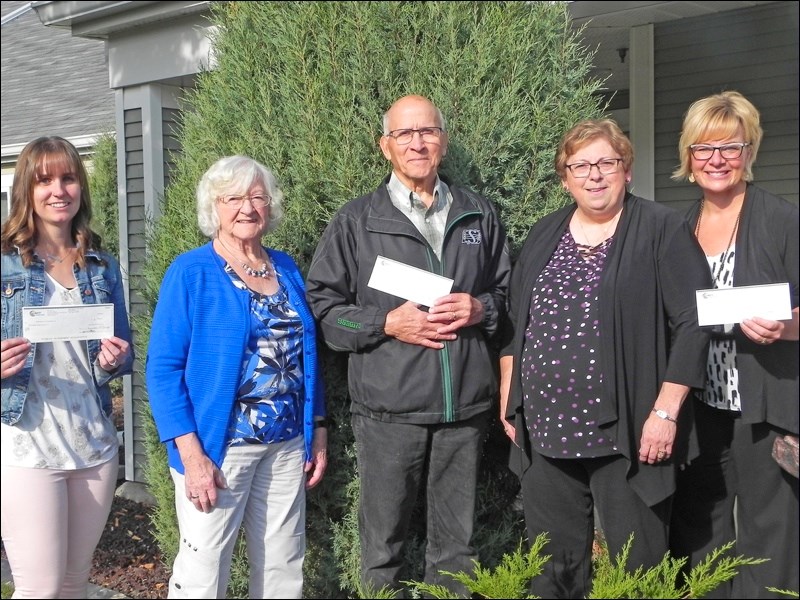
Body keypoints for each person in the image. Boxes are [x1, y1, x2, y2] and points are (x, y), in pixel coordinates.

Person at [305, 94, 511, 596]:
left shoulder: (478, 215)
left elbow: (509, 295)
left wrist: (480, 309)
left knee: (457, 549)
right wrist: (384, 324)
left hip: (463, 408)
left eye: (427, 132)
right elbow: (325, 310)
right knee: (383, 550)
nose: (417, 142)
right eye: (404, 134)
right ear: (386, 146)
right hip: (388, 411)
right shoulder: (356, 221)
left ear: (443, 140)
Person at [498, 119, 712, 599]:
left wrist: (665, 412)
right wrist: (510, 399)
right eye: (580, 166)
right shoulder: (544, 233)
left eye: (606, 163)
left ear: (626, 170)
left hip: (630, 434)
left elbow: (695, 322)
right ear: (565, 177)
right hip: (547, 432)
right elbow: (516, 324)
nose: (594, 175)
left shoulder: (662, 228)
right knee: (554, 573)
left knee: (637, 571)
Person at [145, 155, 327, 599]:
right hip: (219, 448)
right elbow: (163, 370)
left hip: (286, 445)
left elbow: (306, 354)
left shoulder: (284, 268)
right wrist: (191, 456)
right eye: (233, 199)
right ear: (214, 207)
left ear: (270, 207)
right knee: (204, 569)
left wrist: (318, 428)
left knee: (283, 565)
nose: (247, 208)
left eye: (257, 197)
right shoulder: (191, 272)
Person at [668, 91, 799, 598]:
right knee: (701, 533)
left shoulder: (781, 220)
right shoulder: (678, 228)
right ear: (688, 155)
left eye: (731, 147)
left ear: (750, 152)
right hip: (699, 406)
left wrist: (782, 326)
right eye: (704, 148)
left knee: (771, 537)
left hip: (765, 407)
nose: (716, 160)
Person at [1, 136, 134, 598]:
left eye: (69, 177)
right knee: (39, 589)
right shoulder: (3, 264)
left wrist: (112, 360)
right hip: (26, 446)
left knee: (75, 585)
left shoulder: (101, 265)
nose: (58, 190)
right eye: (44, 180)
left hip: (93, 446)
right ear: (27, 190)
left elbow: (123, 353)